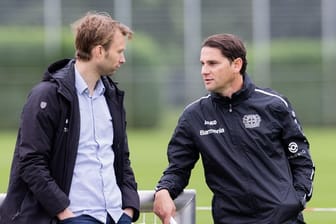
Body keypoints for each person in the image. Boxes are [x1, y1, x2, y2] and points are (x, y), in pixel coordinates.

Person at [153, 33, 315, 224]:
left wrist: (295, 201)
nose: (204, 70)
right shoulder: (194, 116)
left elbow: (301, 160)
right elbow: (178, 169)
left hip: (283, 220)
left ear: (236, 65)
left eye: (212, 63)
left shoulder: (274, 105)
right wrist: (163, 190)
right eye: (202, 64)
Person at [0, 12, 140, 224]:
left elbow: (122, 158)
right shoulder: (46, 95)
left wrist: (128, 210)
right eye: (119, 51)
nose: (123, 59)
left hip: (114, 216)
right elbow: (31, 162)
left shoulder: (112, 96)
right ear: (99, 51)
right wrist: (65, 213)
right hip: (74, 217)